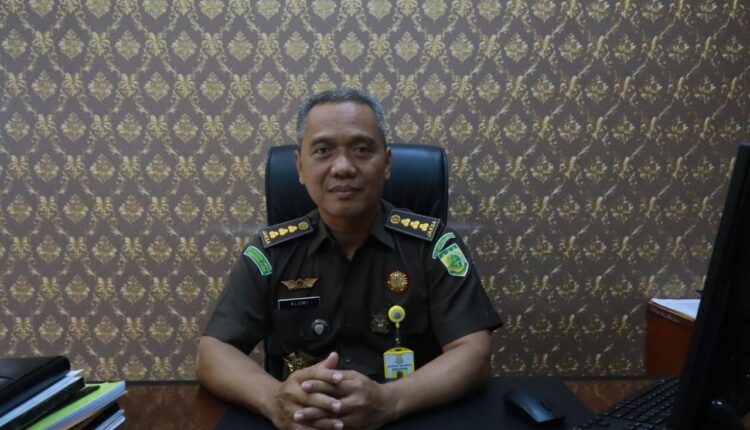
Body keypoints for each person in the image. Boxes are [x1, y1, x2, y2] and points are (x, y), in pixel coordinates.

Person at [196, 88, 502, 429]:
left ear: (387, 163)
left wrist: (390, 401)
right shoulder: (271, 253)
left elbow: (474, 353)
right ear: (300, 166)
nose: (342, 167)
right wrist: (273, 399)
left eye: (361, 149)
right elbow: (213, 352)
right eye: (323, 150)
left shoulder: (433, 247)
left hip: (407, 417)